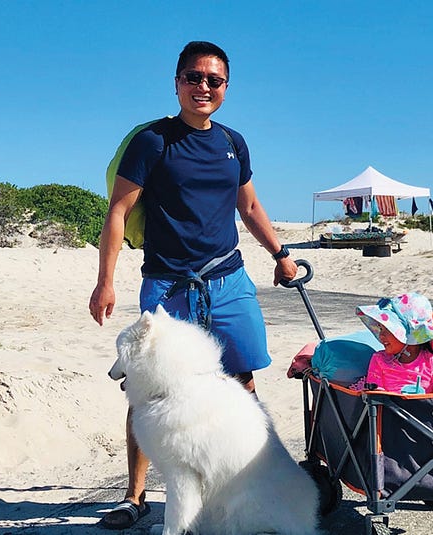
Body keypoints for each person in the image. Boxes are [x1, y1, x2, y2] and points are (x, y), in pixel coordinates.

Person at [88, 40, 298, 530]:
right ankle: (134, 497)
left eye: (214, 80)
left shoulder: (233, 142)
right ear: (177, 81)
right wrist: (105, 282)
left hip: (228, 280)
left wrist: (281, 255)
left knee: (243, 382)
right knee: (148, 394)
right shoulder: (153, 142)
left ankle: (245, 482)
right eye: (193, 77)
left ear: (226, 87)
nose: (203, 87)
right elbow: (118, 211)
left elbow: (248, 208)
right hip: (168, 287)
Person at [355, 292, 433, 394]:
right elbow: (375, 398)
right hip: (387, 410)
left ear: (410, 334)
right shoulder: (379, 360)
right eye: (380, 329)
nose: (381, 336)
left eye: (387, 330)